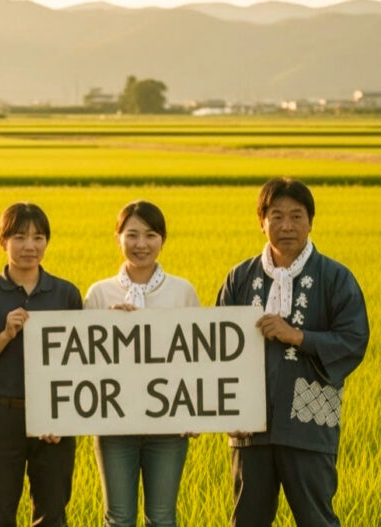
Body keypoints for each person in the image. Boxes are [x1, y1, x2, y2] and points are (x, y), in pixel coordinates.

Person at [216, 178, 368, 526]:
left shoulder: (334, 277)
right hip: (249, 426)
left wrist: (298, 336)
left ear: (310, 221)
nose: (287, 225)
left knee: (317, 519)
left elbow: (354, 339)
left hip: (309, 423)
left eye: (297, 216)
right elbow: (215, 346)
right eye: (276, 216)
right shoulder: (240, 277)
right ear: (261, 222)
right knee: (247, 520)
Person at [0, 202, 82, 527]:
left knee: (52, 516)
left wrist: (65, 418)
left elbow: (79, 362)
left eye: (38, 237)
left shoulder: (65, 294)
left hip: (54, 417)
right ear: (2, 241)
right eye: (19, 237)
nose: (30, 246)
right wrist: (5, 335)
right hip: (2, 416)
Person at [83, 200, 200, 527]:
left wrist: (196, 410)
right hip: (114, 424)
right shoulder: (99, 294)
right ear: (117, 238)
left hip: (168, 425)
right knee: (118, 519)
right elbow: (82, 361)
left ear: (162, 239)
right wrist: (106, 327)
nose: (141, 244)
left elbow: (197, 358)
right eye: (132, 235)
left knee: (162, 519)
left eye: (150, 235)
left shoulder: (183, 292)